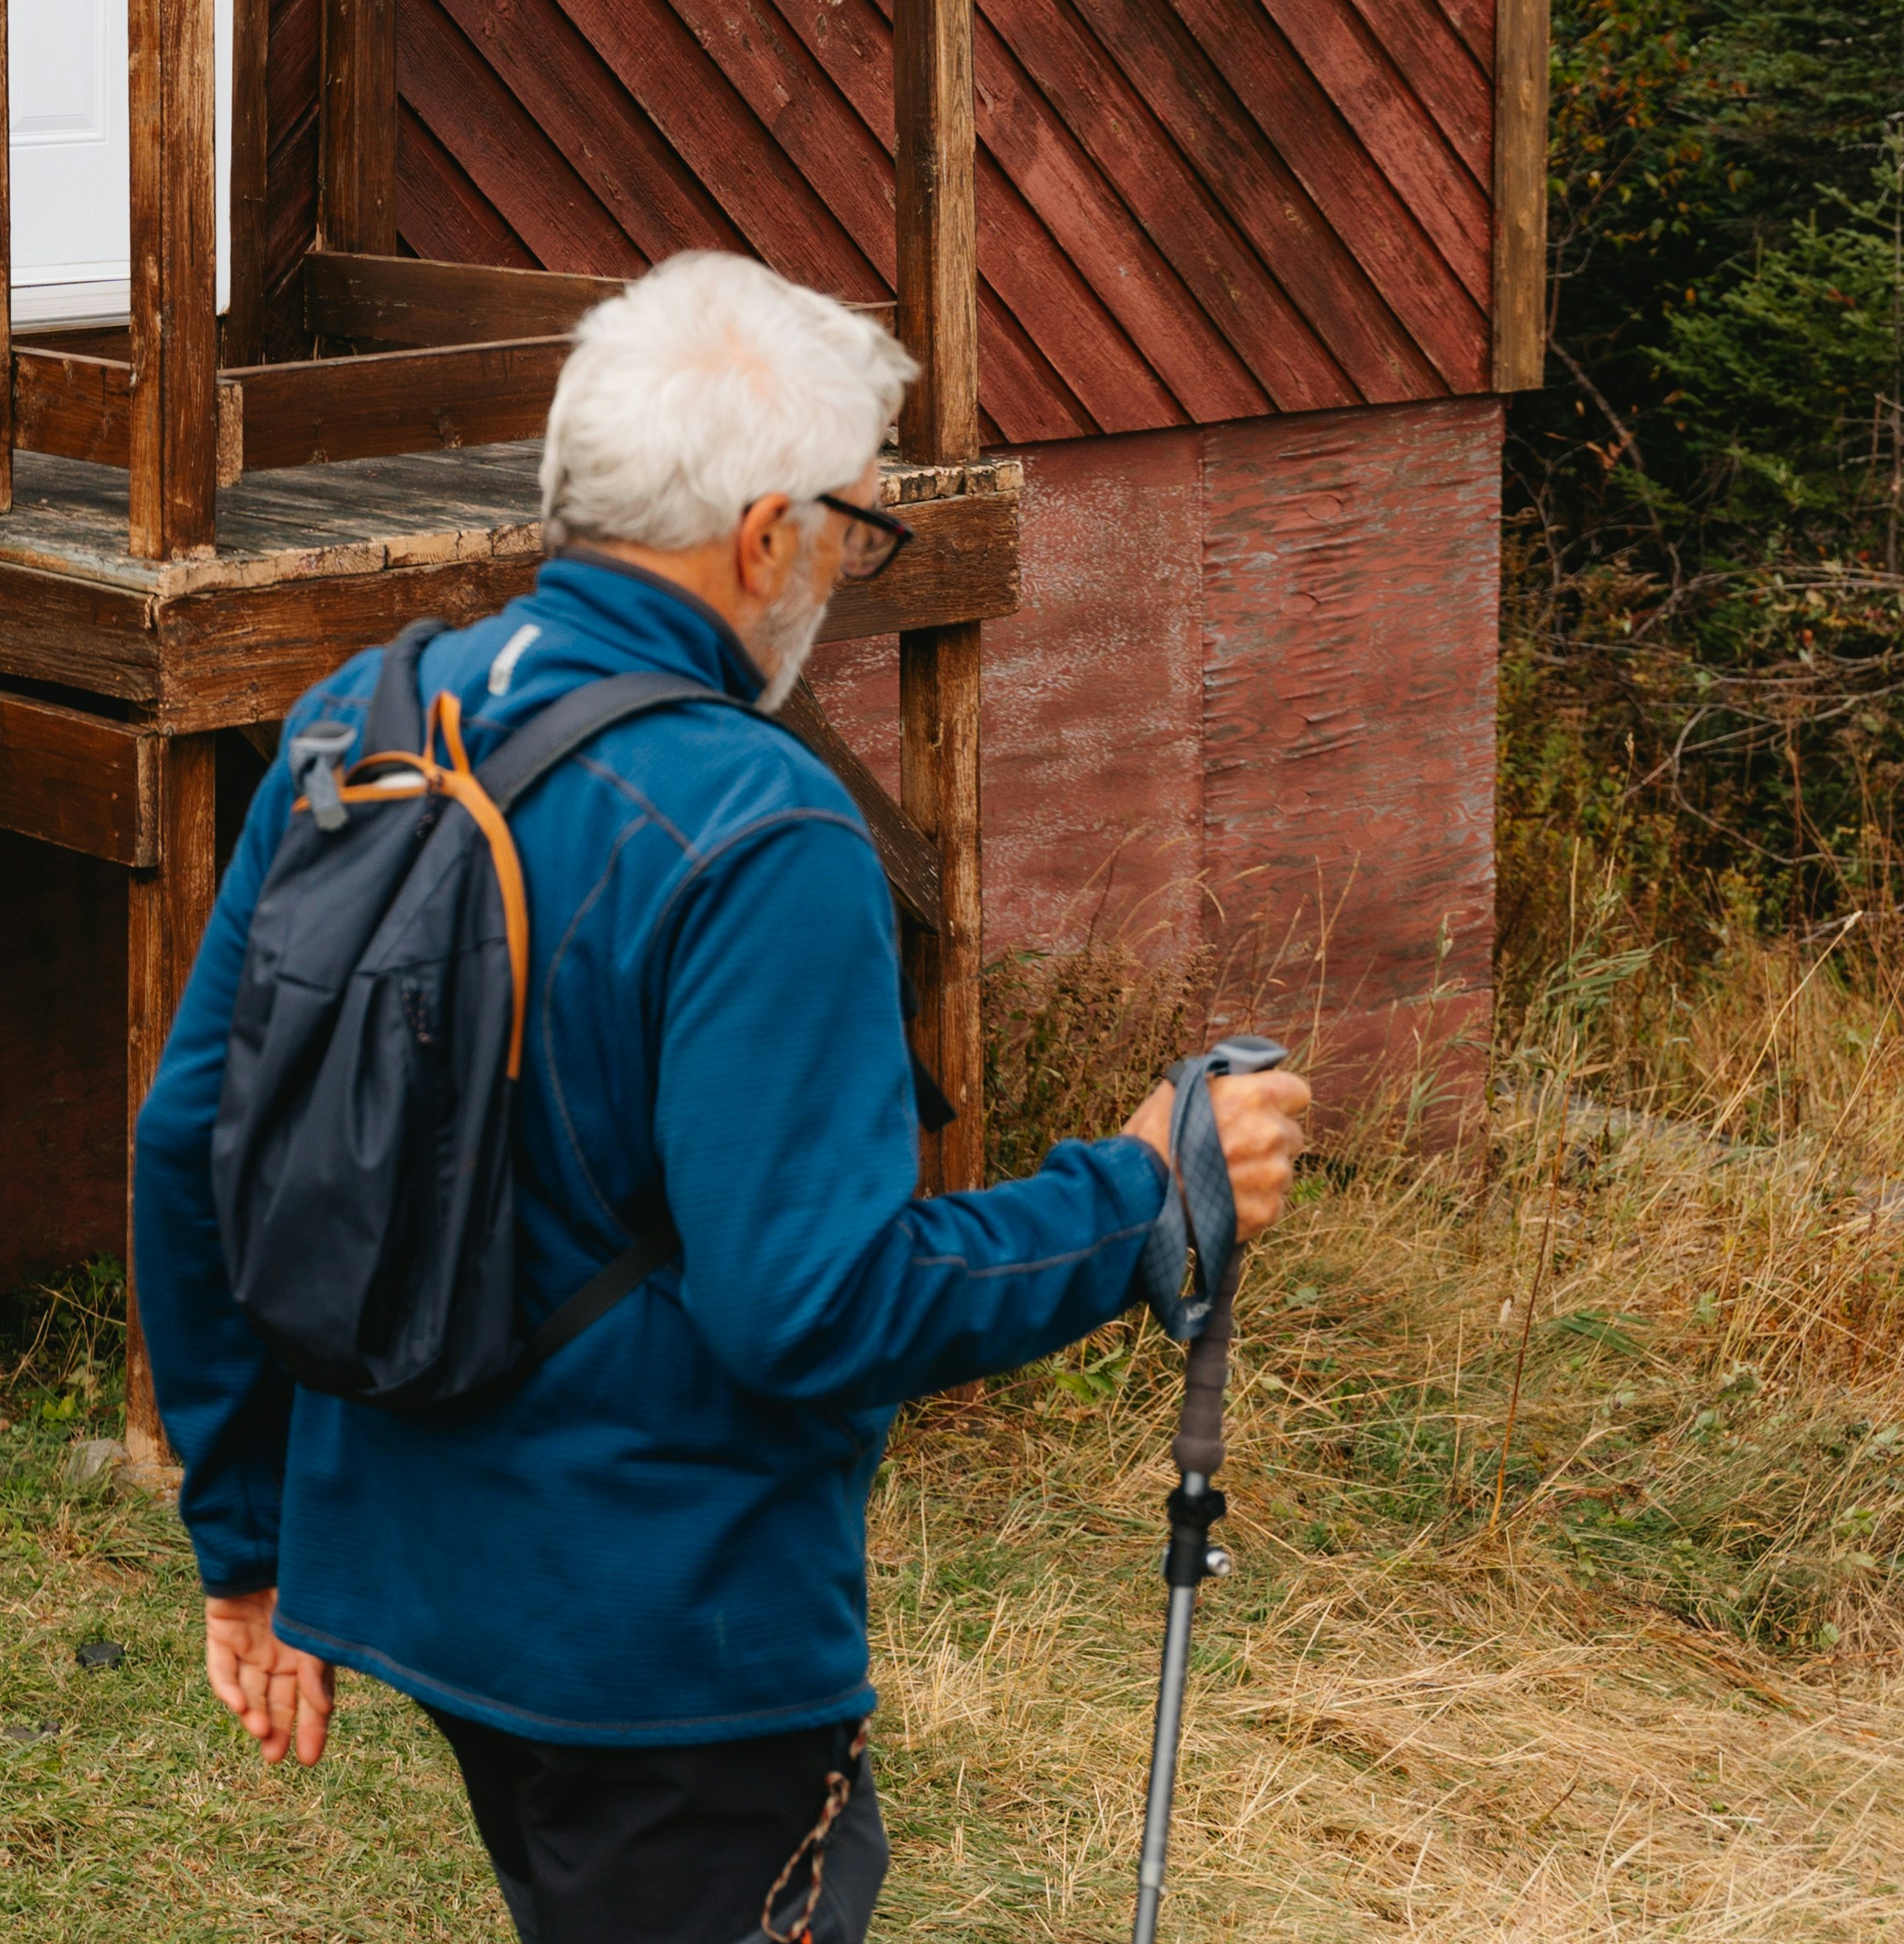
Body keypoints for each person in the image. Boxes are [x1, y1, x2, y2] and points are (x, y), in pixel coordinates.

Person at [132, 249, 1313, 1944]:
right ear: (764, 535)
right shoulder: (765, 832)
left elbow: (194, 1148)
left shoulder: (364, 725)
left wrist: (246, 1545)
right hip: (672, 1648)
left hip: (424, 1588)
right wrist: (1147, 1193)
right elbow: (811, 1307)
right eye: (849, 525)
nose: (841, 563)